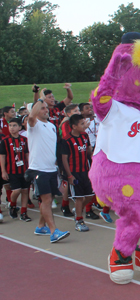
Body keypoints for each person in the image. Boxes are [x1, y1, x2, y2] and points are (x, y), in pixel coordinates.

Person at [27, 98, 70, 243]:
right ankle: (54, 232)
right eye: (43, 108)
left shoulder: (51, 126)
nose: (46, 110)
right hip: (39, 169)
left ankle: (40, 226)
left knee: (49, 199)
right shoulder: (33, 124)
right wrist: (38, 99)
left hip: (51, 168)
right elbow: (31, 116)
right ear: (36, 110)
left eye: (46, 108)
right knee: (46, 200)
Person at [61, 115, 94, 232]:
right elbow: (64, 159)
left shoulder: (85, 136)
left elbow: (89, 150)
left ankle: (78, 210)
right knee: (79, 197)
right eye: (81, 124)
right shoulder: (66, 140)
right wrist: (69, 175)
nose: (84, 125)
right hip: (74, 173)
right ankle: (79, 220)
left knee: (90, 195)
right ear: (74, 126)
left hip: (86, 171)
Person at [0, 118, 31, 221]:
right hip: (12, 170)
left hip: (24, 170)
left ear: (19, 127)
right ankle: (12, 205)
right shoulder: (5, 141)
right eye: (10, 126)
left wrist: (30, 167)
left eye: (14, 125)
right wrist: (3, 171)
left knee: (25, 191)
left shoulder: (24, 140)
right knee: (16, 190)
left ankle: (23, 212)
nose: (11, 128)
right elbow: (2, 156)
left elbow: (27, 154)